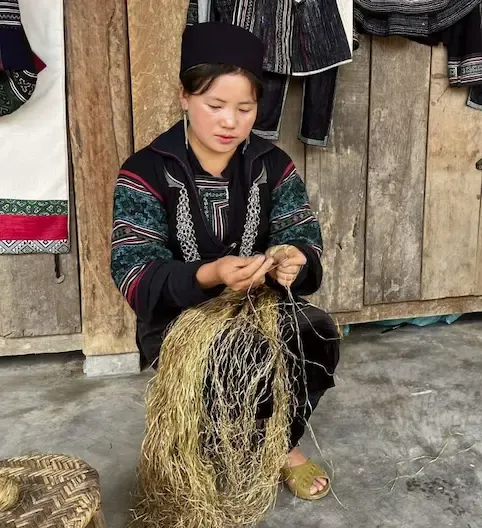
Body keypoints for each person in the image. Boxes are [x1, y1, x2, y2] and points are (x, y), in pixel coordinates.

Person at [110, 21, 339, 501]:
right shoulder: (147, 170)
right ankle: (218, 444)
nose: (230, 122)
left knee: (317, 335)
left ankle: (282, 443)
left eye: (245, 108)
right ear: (184, 98)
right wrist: (208, 274)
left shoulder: (271, 166)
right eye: (215, 106)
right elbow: (133, 268)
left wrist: (293, 257)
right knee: (238, 356)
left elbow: (301, 232)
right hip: (179, 317)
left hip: (262, 305)